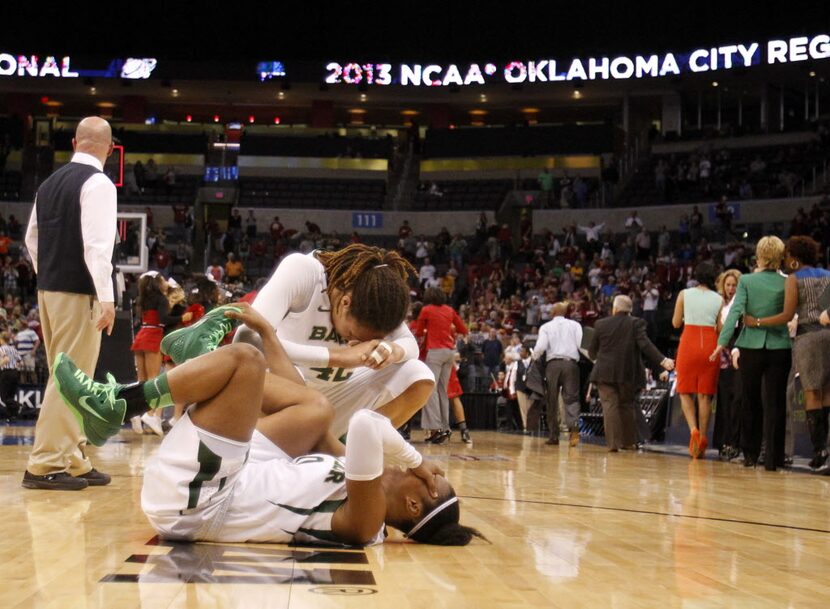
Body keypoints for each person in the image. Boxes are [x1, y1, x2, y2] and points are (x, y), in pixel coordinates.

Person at [50, 303, 483, 546]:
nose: (418, 473)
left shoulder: (367, 521)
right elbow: (308, 407)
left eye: (428, 482)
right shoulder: (353, 483)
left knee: (246, 360)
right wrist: (271, 334)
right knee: (317, 410)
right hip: (226, 477)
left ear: (413, 506)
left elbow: (369, 425)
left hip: (198, 505)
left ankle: (122, 404)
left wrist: (418, 457)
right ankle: (198, 366)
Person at [163, 244, 435, 437]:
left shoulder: (375, 295)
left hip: (330, 401)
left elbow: (410, 345)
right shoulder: (304, 272)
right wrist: (337, 356)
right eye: (353, 334)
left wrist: (392, 349)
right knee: (247, 367)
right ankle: (272, 444)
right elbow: (248, 338)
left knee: (419, 375)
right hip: (280, 398)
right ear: (344, 302)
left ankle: (349, 451)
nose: (354, 342)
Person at [22, 116, 117, 491]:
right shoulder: (99, 183)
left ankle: (73, 458)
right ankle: (44, 464)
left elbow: (31, 238)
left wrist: (48, 272)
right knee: (70, 378)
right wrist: (106, 298)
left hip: (50, 290)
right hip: (80, 292)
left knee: (68, 377)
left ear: (75, 141)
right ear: (110, 148)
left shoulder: (48, 183)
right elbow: (97, 247)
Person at [743, 236, 830, 471]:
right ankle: (827, 450)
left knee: (812, 392)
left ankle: (820, 451)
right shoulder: (827, 274)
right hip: (828, 334)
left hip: (808, 337)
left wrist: (757, 321)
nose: (785, 258)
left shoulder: (793, 279)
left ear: (795, 258)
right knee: (827, 392)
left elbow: (786, 315)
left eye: (788, 255)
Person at [711, 236, 791, 471]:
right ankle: (774, 458)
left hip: (751, 347)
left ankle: (750, 454)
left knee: (750, 400)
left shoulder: (746, 280)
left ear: (760, 255)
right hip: (779, 347)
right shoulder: (788, 281)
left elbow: (735, 311)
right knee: (775, 402)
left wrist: (722, 342)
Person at [588, 295, 674, 452]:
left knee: (610, 406)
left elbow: (592, 351)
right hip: (628, 374)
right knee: (627, 406)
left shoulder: (600, 324)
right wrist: (662, 360)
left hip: (604, 372)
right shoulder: (636, 323)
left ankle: (613, 444)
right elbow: (645, 345)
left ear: (615, 308)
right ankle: (628, 442)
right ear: (630, 310)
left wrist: (597, 357)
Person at [672, 262, 723, 459]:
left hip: (689, 341)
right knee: (705, 395)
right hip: (710, 343)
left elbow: (676, 323)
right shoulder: (718, 298)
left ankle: (693, 430)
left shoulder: (684, 294)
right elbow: (720, 327)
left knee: (684, 391)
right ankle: (702, 437)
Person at [130, 271, 187, 436]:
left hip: (141, 335)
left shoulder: (142, 298)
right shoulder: (160, 299)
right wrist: (182, 318)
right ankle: (149, 415)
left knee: (141, 380)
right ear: (157, 282)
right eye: (162, 279)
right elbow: (163, 319)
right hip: (153, 336)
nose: (165, 282)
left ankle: (134, 412)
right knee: (154, 380)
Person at [414, 288, 468, 444]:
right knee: (443, 390)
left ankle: (435, 427)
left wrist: (427, 330)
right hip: (449, 352)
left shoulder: (426, 310)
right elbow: (463, 329)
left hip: (435, 352)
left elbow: (418, 332)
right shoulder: (450, 310)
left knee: (431, 389)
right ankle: (446, 428)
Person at [532, 302, 583, 447]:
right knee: (572, 399)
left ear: (553, 313)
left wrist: (534, 357)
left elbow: (541, 347)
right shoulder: (575, 325)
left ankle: (553, 435)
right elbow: (581, 345)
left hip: (552, 365)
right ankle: (574, 431)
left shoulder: (546, 327)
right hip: (571, 364)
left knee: (551, 400)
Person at [713, 269, 743, 461]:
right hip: (721, 359)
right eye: (728, 285)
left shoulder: (741, 306)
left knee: (737, 401)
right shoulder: (718, 305)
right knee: (724, 401)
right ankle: (723, 443)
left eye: (734, 285)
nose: (731, 288)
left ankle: (735, 442)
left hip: (737, 355)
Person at [0, 332, 21, 418]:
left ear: (1, 339)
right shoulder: (13, 349)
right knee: (11, 396)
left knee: (4, 397)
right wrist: (15, 367)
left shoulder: (2, 349)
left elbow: (6, 359)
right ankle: (12, 415)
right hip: (15, 372)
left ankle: (19, 406)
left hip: (6, 373)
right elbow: (20, 362)